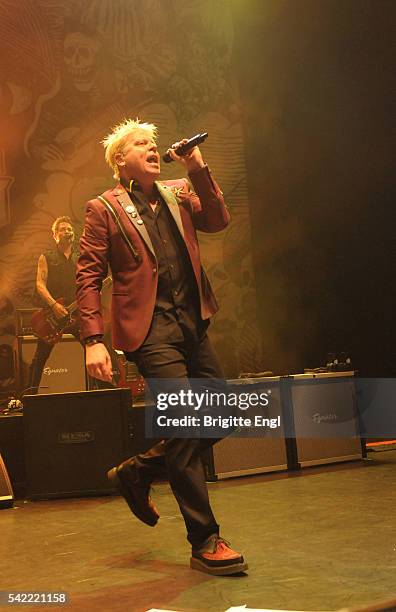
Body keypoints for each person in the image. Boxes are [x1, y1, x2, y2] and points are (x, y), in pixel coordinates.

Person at [76, 118, 248, 576]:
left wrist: (197, 166)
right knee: (187, 423)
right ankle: (205, 539)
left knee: (224, 414)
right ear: (120, 159)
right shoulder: (104, 208)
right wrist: (93, 340)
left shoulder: (177, 191)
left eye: (155, 144)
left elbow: (218, 220)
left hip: (192, 324)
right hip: (149, 333)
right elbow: (88, 279)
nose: (152, 149)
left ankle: (138, 471)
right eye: (141, 144)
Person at [28, 216, 80, 393]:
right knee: (40, 358)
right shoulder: (47, 257)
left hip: (75, 314)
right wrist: (53, 305)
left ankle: (107, 392)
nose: (68, 232)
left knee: (94, 345)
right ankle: (29, 397)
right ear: (55, 235)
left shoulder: (81, 257)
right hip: (53, 316)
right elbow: (39, 284)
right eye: (63, 229)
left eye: (70, 229)